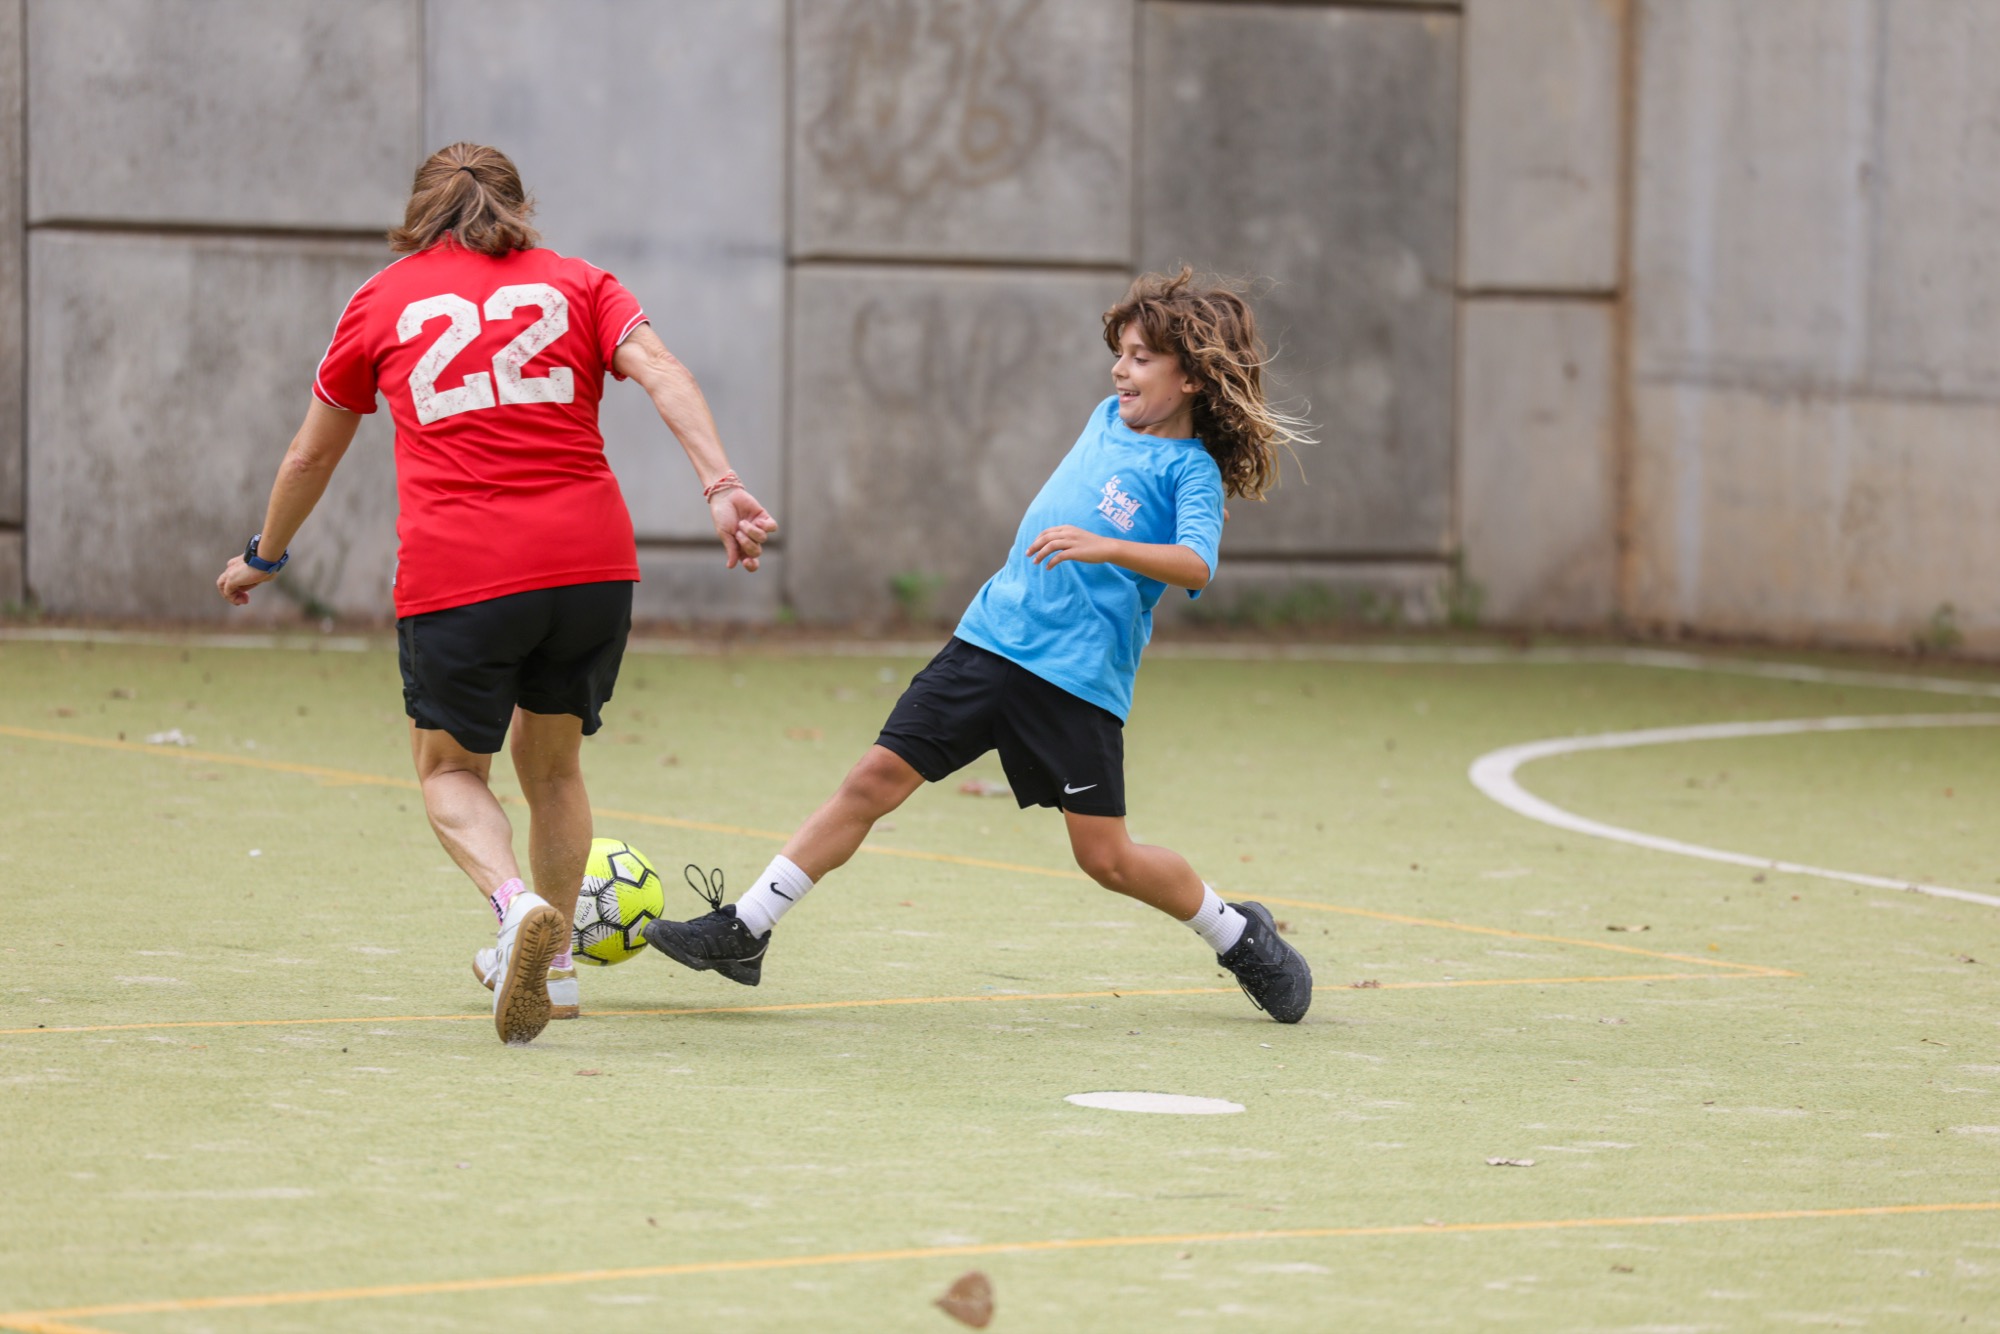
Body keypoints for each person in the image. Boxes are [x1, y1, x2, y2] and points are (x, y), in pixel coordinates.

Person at [215, 143, 776, 1045]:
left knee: (448, 771)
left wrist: (265, 556)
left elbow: (309, 454)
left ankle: (518, 909)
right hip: (592, 568)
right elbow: (665, 370)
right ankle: (556, 973)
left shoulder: (381, 299)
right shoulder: (583, 283)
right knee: (553, 768)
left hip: (462, 572)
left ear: (419, 211)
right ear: (518, 205)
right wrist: (721, 485)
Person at [645, 269, 1314, 1023]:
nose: (1120, 371)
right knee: (871, 781)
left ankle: (1238, 934)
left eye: (1141, 359)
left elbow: (1196, 564)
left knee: (1106, 859)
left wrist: (1106, 546)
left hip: (1073, 682)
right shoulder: (1106, 418)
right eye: (1120, 354)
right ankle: (746, 928)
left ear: (1190, 378)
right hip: (988, 641)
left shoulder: (1190, 471)